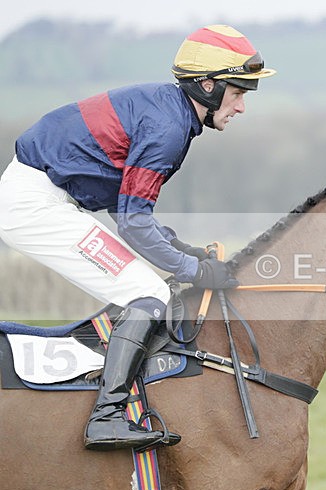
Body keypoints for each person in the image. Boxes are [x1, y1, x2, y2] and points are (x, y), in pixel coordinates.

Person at [0, 25, 275, 451]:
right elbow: (132, 223)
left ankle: (94, 374)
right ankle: (106, 417)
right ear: (207, 86)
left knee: (148, 285)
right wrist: (196, 270)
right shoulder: (167, 129)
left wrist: (183, 252)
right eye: (239, 93)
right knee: (149, 295)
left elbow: (128, 209)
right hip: (35, 205)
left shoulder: (169, 111)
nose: (242, 107)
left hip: (41, 196)